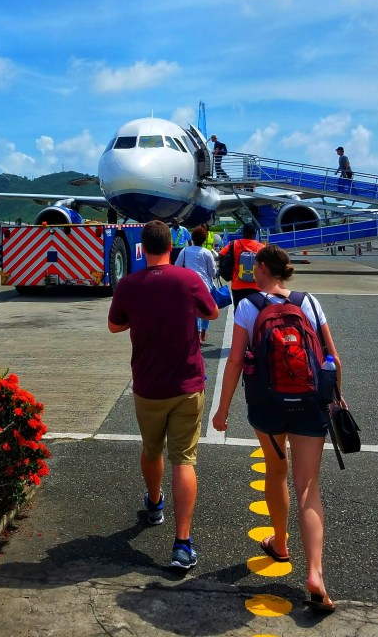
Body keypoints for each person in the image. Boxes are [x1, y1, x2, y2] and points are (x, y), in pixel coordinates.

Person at [212, 244, 342, 614]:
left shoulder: (249, 306)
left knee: (276, 469)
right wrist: (337, 400)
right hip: (309, 404)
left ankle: (281, 544)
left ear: (266, 268)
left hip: (268, 407)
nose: (251, 270)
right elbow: (333, 357)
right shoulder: (309, 302)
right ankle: (315, 574)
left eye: (254, 265)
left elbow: (236, 361)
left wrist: (222, 411)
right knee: (308, 488)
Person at [108, 220, 219, 570]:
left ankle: (154, 504)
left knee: (151, 449)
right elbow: (212, 312)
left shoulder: (128, 284)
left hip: (148, 386)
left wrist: (139, 317)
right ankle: (182, 544)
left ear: (142, 248)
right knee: (184, 460)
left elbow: (115, 325)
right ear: (171, 246)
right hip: (186, 385)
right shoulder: (187, 280)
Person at [176, 225, 217, 344]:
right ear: (204, 240)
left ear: (192, 238)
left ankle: (197, 333)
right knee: (205, 308)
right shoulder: (207, 253)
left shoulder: (184, 251)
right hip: (205, 285)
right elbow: (212, 272)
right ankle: (204, 331)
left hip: (189, 284)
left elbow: (177, 266)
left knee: (194, 310)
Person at [218, 222, 265, 307]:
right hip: (256, 285)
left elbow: (221, 255)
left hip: (238, 285)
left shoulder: (233, 244)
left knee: (238, 311)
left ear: (243, 233)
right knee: (255, 312)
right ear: (254, 234)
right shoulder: (261, 247)